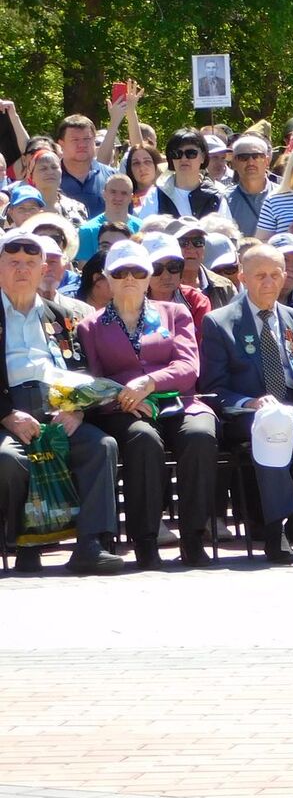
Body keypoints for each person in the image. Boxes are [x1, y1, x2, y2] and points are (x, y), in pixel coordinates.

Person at [79, 240, 219, 568]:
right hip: (125, 408)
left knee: (200, 434)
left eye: (138, 272)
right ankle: (145, 541)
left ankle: (193, 537)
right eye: (120, 272)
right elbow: (94, 382)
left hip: (180, 400)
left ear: (148, 278)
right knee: (143, 439)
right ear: (107, 278)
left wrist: (150, 383)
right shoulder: (91, 326)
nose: (130, 278)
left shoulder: (175, 313)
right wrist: (121, 397)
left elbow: (189, 367)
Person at [0, 230, 124, 575]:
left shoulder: (61, 315)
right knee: (8, 459)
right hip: (7, 412)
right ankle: (24, 544)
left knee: (102, 446)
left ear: (44, 270)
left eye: (30, 263)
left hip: (57, 409)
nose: (22, 269)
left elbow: (81, 369)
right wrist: (7, 415)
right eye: (13, 262)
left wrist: (78, 409)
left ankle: (91, 545)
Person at [140, 233, 211, 338]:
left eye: (173, 267)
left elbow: (200, 343)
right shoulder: (132, 301)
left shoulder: (197, 301)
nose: (166, 276)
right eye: (156, 268)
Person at [155, 129, 229, 219]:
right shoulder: (156, 195)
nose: (183, 159)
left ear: (203, 157)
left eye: (191, 153)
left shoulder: (216, 197)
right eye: (177, 153)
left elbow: (226, 228)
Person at [56, 114, 116, 218]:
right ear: (61, 144)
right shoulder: (50, 178)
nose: (82, 145)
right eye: (75, 140)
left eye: (87, 139)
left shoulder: (112, 177)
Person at [76, 172, 140, 264]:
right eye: (113, 192)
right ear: (104, 194)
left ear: (131, 197)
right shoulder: (88, 230)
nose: (118, 197)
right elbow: (85, 267)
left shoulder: (141, 228)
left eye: (124, 193)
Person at [175, 220, 236, 309]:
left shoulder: (224, 286)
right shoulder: (158, 286)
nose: (191, 249)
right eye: (183, 242)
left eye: (198, 242)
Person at [23, 149, 88, 224]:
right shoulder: (22, 210)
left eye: (54, 167)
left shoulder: (77, 208)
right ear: (31, 176)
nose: (50, 172)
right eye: (43, 169)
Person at [123, 144, 163, 218]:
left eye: (147, 162)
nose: (142, 168)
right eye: (136, 163)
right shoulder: (124, 199)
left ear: (156, 164)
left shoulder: (168, 194)